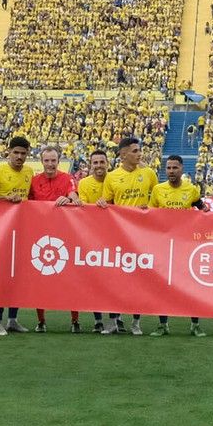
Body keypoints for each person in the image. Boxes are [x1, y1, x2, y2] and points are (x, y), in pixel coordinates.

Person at [96, 136, 158, 336]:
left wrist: (148, 208)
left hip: (143, 235)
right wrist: (102, 204)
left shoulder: (148, 173)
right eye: (135, 151)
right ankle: (114, 321)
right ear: (123, 155)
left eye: (140, 150)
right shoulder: (112, 177)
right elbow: (106, 203)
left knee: (140, 279)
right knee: (117, 279)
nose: (139, 154)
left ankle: (136, 322)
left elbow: (156, 201)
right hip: (120, 235)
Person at [0, 135, 34, 335]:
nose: (19, 157)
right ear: (8, 152)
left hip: (20, 231)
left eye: (23, 153)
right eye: (16, 153)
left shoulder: (29, 172)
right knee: (0, 277)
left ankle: (12, 319)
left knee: (16, 278)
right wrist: (5, 198)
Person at [149, 155, 208, 336]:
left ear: (182, 169)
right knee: (163, 285)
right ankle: (163, 325)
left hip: (185, 245)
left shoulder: (191, 190)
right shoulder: (158, 190)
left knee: (192, 285)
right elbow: (150, 215)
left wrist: (211, 215)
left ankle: (195, 325)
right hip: (164, 245)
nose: (171, 171)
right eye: (168, 168)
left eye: (175, 168)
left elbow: (202, 209)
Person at [27, 146, 79, 333]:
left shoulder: (67, 178)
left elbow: (74, 195)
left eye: (53, 160)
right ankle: (41, 321)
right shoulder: (34, 181)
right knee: (40, 279)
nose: (50, 164)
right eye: (46, 160)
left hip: (65, 236)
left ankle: (75, 320)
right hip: (40, 237)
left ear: (59, 161)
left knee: (71, 278)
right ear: (42, 161)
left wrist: (70, 199)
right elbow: (27, 205)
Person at [64, 147, 114, 333]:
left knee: (114, 281)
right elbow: (83, 209)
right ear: (91, 165)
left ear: (107, 164)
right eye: (95, 163)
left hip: (115, 237)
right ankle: (98, 319)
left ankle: (115, 319)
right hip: (91, 238)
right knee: (96, 280)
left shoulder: (115, 179)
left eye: (102, 162)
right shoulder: (84, 183)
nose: (99, 166)